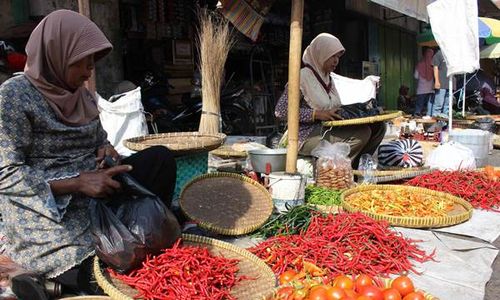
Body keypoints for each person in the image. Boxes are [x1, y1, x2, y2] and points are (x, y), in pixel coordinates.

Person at [0, 10, 177, 299]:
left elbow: (99, 139)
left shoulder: (81, 95)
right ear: (57, 54)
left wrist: (105, 150)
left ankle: (141, 233)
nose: (89, 71)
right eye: (83, 61)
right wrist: (77, 183)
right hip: (48, 211)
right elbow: (5, 173)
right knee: (108, 274)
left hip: (95, 193)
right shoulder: (15, 96)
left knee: (159, 160)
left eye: (92, 62)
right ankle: (44, 279)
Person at [275, 33, 386, 169]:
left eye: (338, 57)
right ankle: (335, 172)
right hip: (304, 135)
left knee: (378, 128)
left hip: (327, 128)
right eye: (332, 56)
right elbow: (280, 111)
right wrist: (316, 114)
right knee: (361, 134)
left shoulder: (328, 78)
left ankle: (358, 169)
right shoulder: (302, 77)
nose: (336, 61)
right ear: (321, 54)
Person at [414, 46, 434, 116]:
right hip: (430, 90)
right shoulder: (433, 65)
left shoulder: (419, 64)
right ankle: (428, 119)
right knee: (428, 108)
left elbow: (416, 76)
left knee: (419, 107)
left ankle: (417, 119)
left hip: (421, 90)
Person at [431, 48, 451, 117]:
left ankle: (445, 125)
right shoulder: (439, 53)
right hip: (441, 83)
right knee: (438, 106)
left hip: (451, 83)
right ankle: (435, 124)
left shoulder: (453, 54)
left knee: (447, 106)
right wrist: (436, 81)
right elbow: (435, 67)